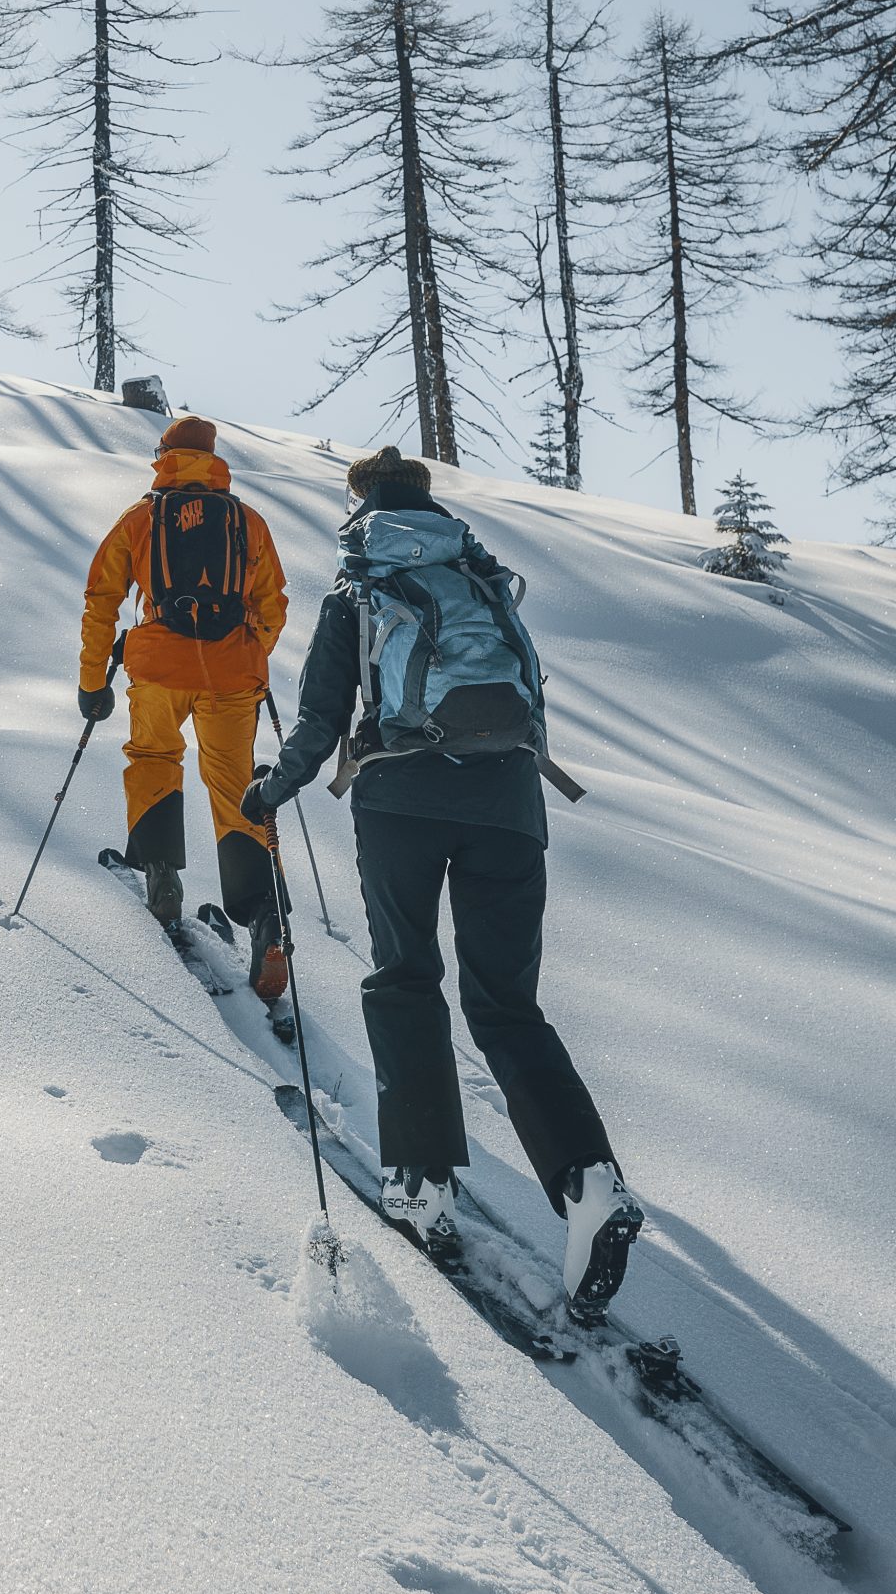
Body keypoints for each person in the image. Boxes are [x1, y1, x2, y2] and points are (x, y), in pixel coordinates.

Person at [242, 443, 643, 1318]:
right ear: (428, 503)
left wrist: (270, 789)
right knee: (506, 1006)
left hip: (400, 804)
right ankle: (588, 1181)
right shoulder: (486, 579)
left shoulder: (358, 587)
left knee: (405, 979)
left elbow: (319, 720)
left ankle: (421, 1182)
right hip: (508, 801)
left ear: (361, 506)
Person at [78, 413, 291, 1004]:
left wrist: (92, 680)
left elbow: (102, 599)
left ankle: (161, 872)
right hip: (231, 674)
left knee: (152, 754)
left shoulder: (143, 517)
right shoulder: (247, 522)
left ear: (164, 454)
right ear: (214, 457)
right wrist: (249, 653)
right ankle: (264, 919)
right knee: (235, 787)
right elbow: (273, 605)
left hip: (158, 667)